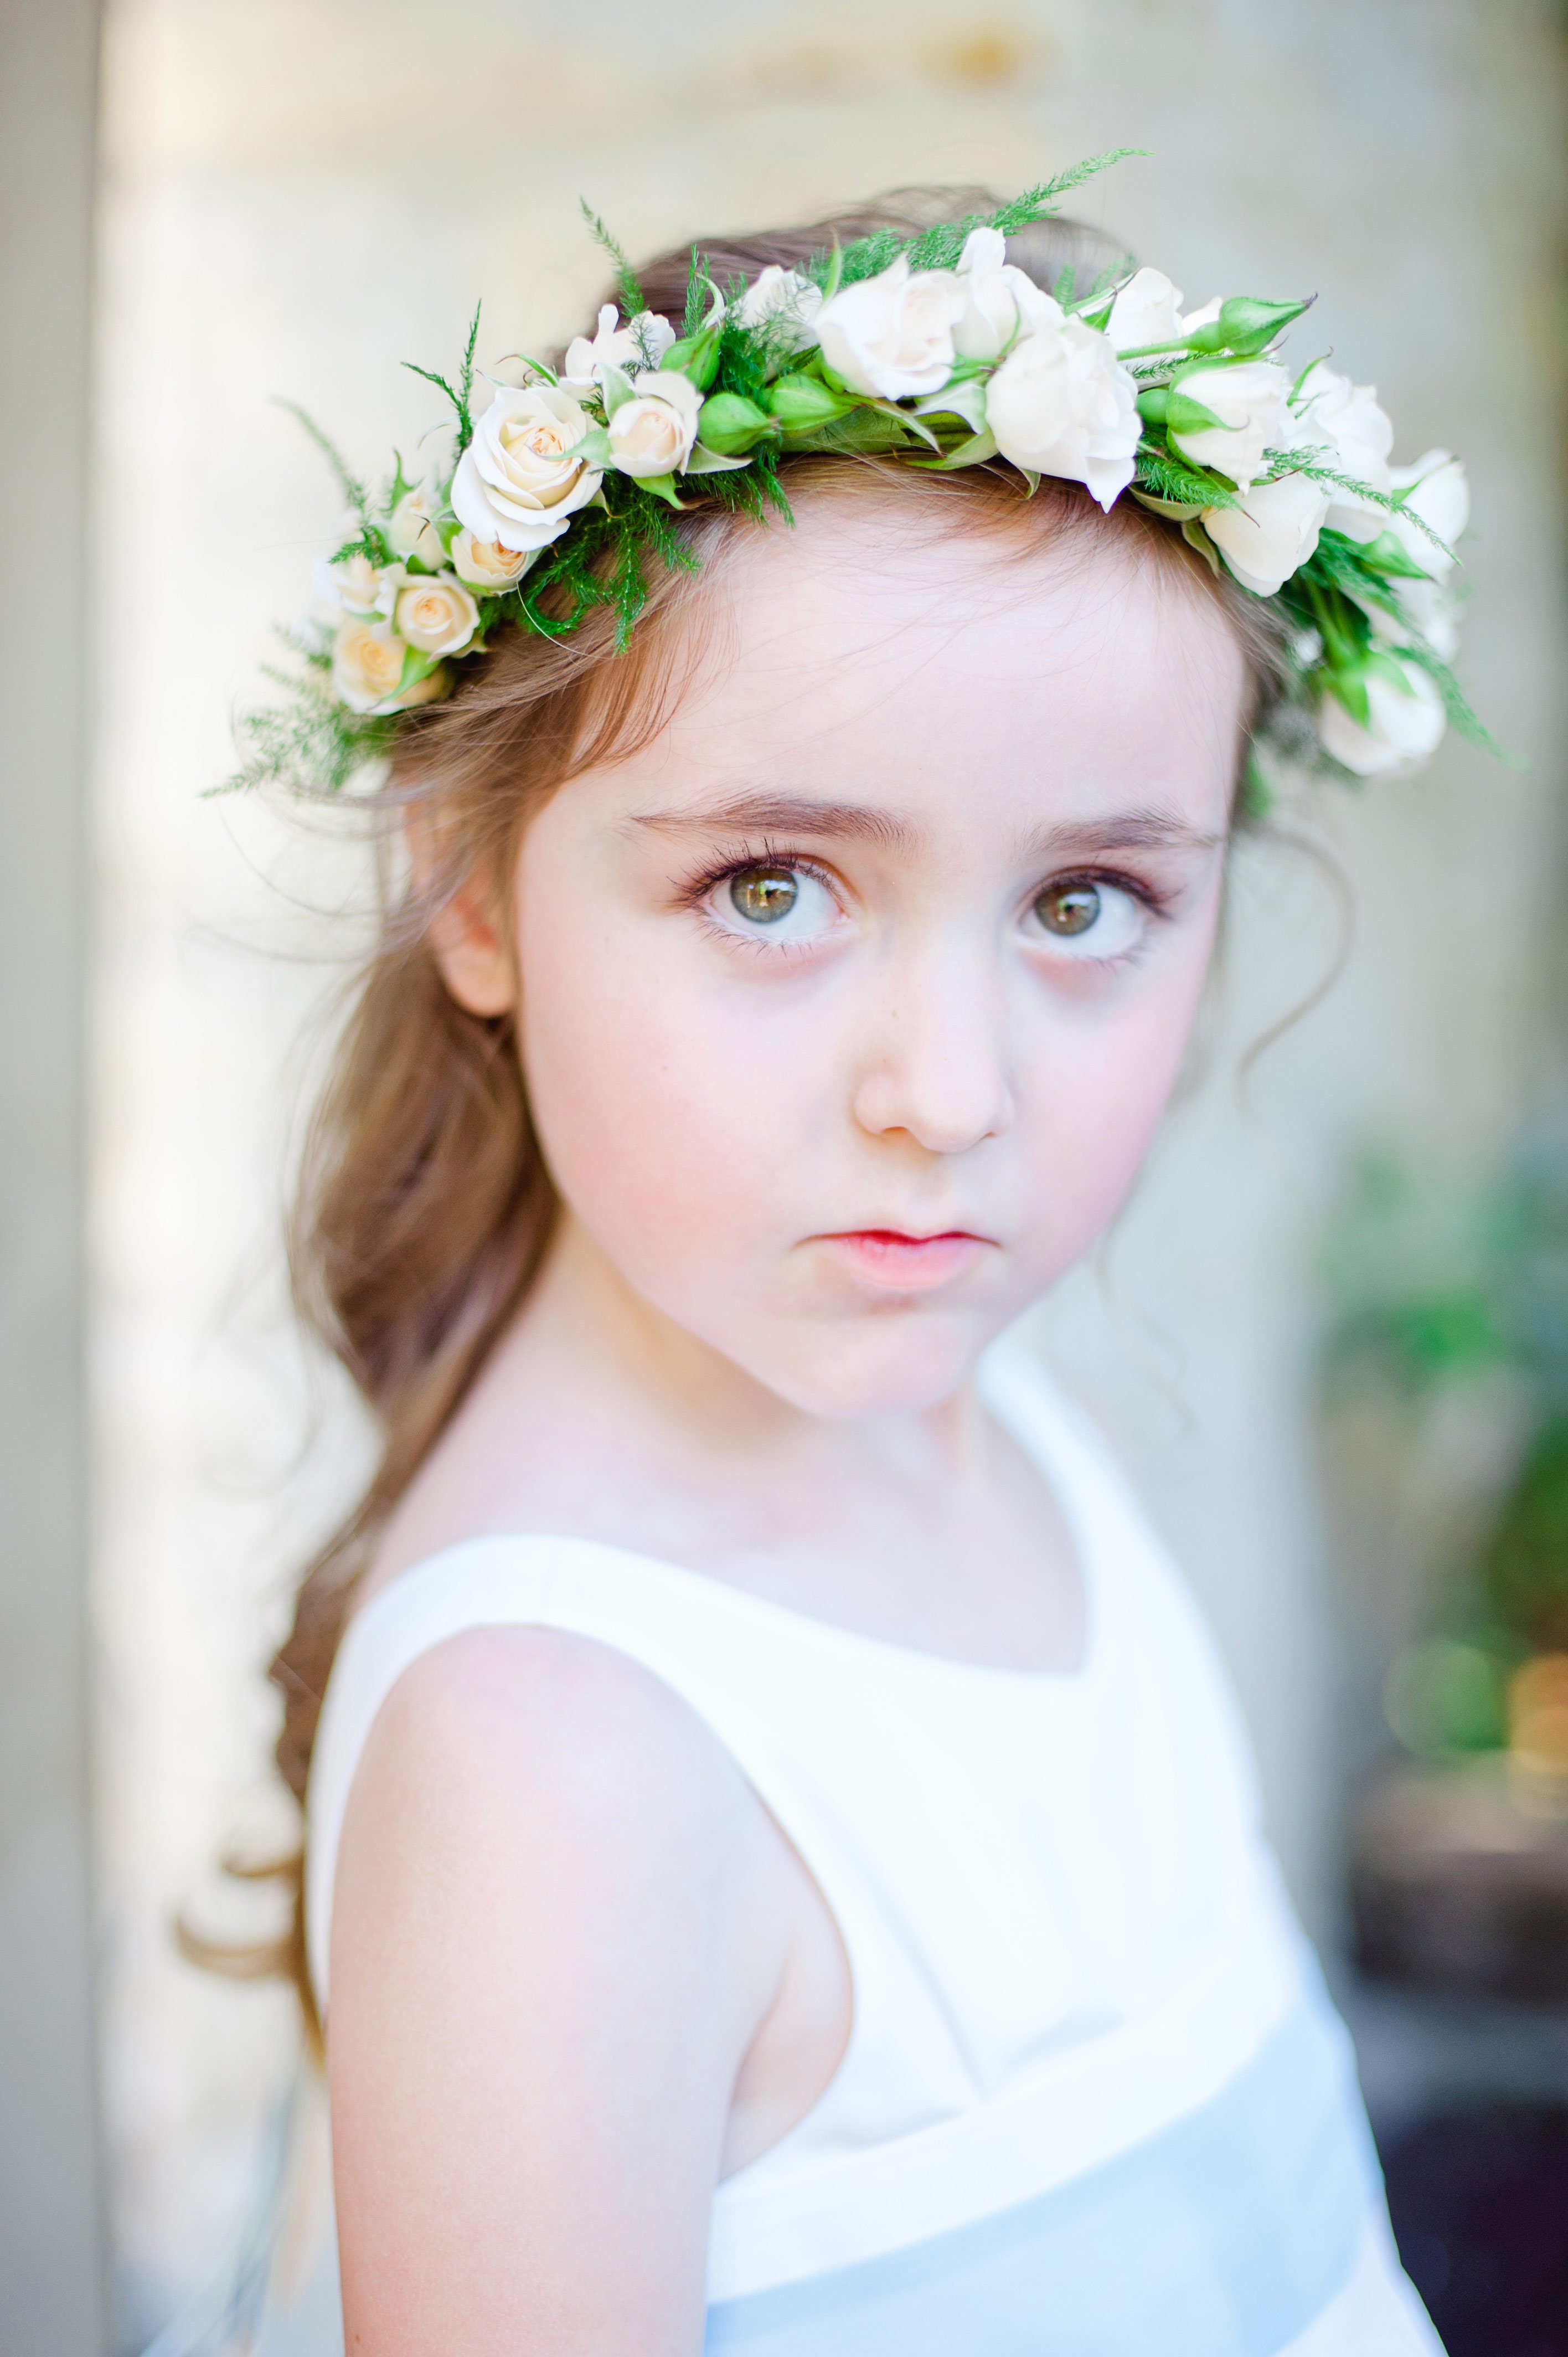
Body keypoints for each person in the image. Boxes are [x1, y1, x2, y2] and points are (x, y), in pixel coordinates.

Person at [228, 174, 1471, 2353]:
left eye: (1086, 900)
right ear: (478, 888)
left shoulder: (976, 1406)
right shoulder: (562, 1769)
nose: (953, 1090)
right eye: (777, 885)